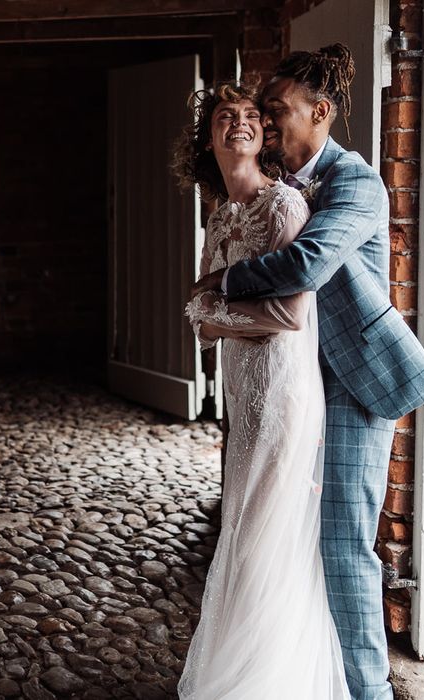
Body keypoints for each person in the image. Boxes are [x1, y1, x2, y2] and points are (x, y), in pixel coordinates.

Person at [191, 45, 424, 700]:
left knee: (343, 548)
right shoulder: (285, 182)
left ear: (321, 112)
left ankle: (369, 694)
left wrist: (225, 282)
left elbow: (305, 266)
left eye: (277, 110)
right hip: (298, 385)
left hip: (357, 385)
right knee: (291, 543)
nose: (267, 122)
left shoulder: (354, 183)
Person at [174, 81, 351, 699]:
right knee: (242, 536)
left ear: (265, 135)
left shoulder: (284, 208)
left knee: (259, 546)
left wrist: (211, 314)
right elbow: (202, 315)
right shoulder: (221, 214)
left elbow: (288, 317)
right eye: (226, 116)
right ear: (209, 139)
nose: (241, 122)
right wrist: (208, 316)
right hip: (242, 405)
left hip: (281, 400)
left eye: (252, 114)